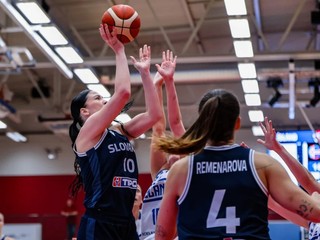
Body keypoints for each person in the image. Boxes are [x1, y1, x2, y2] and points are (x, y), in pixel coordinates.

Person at [154, 89, 320, 240]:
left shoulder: (180, 170)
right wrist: (315, 197)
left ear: (203, 123)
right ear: (237, 123)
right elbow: (316, 213)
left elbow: (163, 236)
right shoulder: (263, 165)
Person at [68, 24, 161, 240]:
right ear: (84, 111)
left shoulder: (119, 131)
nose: (104, 99)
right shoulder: (88, 134)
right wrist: (119, 50)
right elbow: (122, 93)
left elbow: (154, 115)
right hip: (100, 222)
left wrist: (146, 74)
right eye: (97, 98)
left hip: (126, 222)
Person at [140, 50, 184, 240]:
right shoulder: (160, 172)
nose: (173, 152)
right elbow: (157, 127)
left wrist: (169, 82)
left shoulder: (187, 173)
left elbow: (176, 125)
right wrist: (156, 84)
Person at [257, 116, 320, 239]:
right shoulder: (312, 221)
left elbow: (309, 182)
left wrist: (279, 149)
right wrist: (250, 169)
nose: (314, 194)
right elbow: (272, 203)